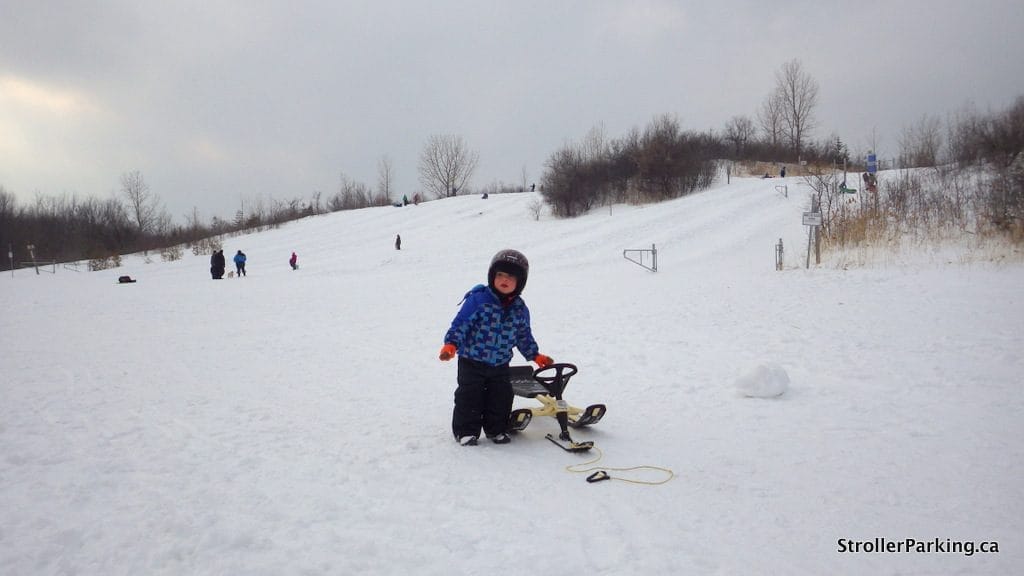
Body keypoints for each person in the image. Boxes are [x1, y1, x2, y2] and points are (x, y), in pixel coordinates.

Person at [438, 249, 552, 446]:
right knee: (470, 397)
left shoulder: (519, 308)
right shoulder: (479, 300)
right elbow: (461, 324)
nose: (504, 280)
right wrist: (451, 344)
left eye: (510, 276)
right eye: (500, 274)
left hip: (500, 363)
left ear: (520, 282)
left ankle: (496, 430)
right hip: (471, 360)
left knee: (500, 398)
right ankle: (466, 432)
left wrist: (535, 355)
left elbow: (523, 335)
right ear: (492, 276)